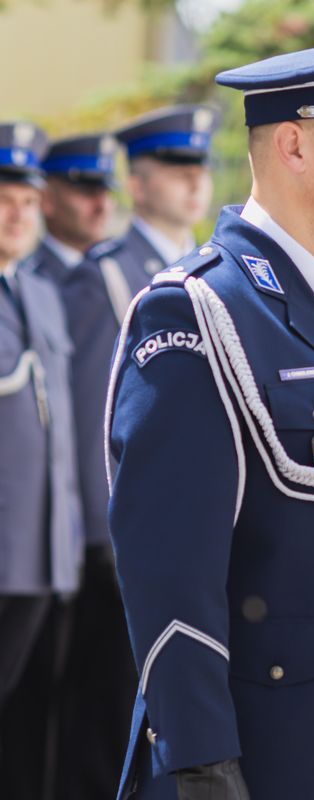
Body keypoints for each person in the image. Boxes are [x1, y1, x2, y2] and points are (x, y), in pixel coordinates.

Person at [106, 28, 314, 798]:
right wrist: (201, 760)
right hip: (266, 759)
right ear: (293, 145)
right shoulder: (195, 310)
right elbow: (168, 572)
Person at [54, 111, 217, 800]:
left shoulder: (211, 271)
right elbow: (91, 419)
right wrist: (103, 540)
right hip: (121, 553)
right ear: (139, 185)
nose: (194, 182)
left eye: (200, 168)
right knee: (108, 729)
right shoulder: (106, 277)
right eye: (176, 170)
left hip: (196, 542)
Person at [0, 122, 83, 795]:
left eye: (29, 201)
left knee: (32, 737)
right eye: (4, 200)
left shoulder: (41, 294)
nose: (18, 215)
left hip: (48, 557)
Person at [31, 132, 117, 284]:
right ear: (47, 199)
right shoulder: (32, 277)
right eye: (87, 193)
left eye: (106, 193)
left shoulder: (116, 267)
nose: (102, 207)